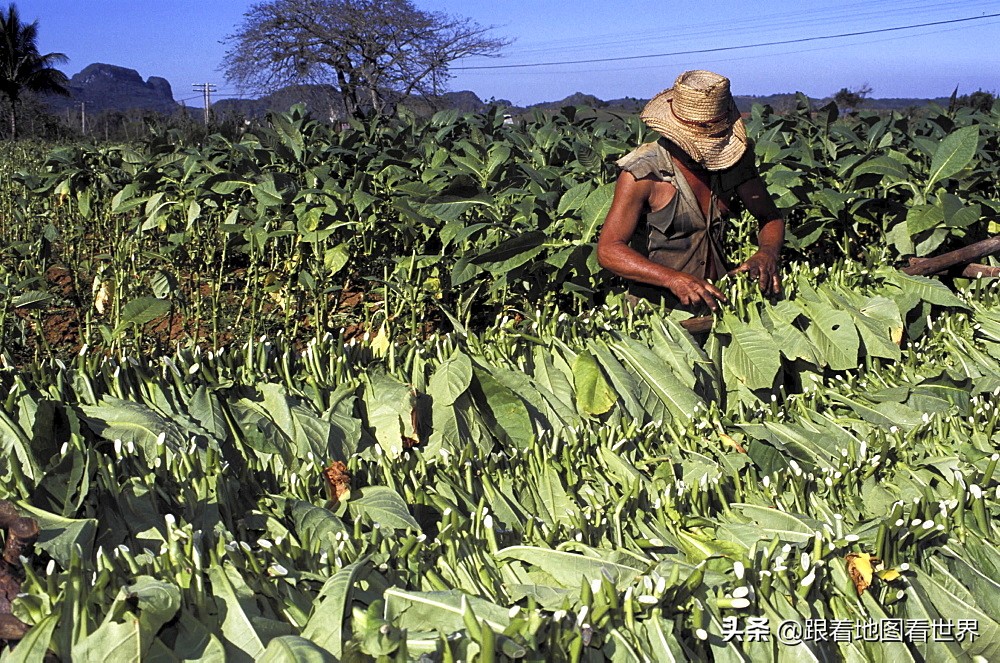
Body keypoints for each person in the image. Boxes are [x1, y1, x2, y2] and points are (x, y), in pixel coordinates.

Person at [597, 70, 784, 313]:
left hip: (717, 302)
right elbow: (609, 250)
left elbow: (769, 216)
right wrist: (672, 279)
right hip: (655, 313)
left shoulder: (735, 162)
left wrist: (767, 253)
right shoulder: (643, 173)